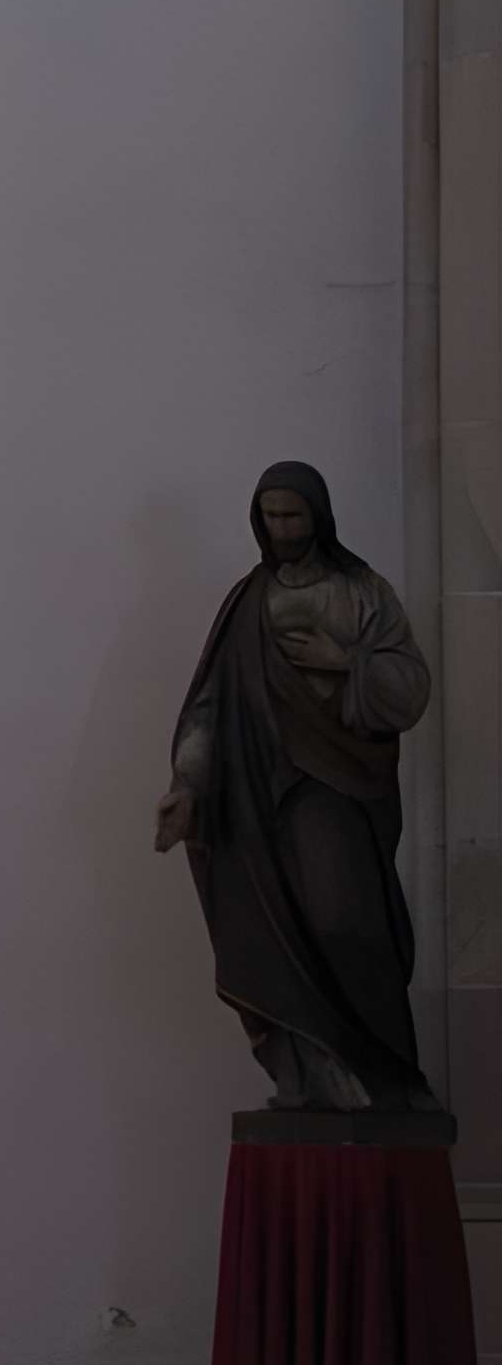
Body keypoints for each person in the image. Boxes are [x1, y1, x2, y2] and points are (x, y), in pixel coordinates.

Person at [159, 461, 435, 1110]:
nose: (282, 529)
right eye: (271, 516)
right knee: (272, 935)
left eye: (293, 515)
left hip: (333, 788)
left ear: (319, 517)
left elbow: (411, 691)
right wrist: (188, 784)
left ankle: (385, 1071)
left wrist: (348, 665)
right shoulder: (248, 603)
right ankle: (314, 1074)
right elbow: (210, 705)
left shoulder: (362, 591)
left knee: (345, 924)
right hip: (258, 796)